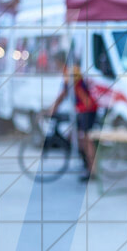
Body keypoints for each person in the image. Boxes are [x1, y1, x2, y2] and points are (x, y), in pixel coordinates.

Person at [48, 51, 99, 180]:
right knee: (73, 136)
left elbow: (63, 94)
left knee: (87, 139)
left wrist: (52, 109)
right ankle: (86, 164)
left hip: (88, 108)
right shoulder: (69, 72)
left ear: (60, 62)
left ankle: (93, 170)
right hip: (82, 109)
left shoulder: (71, 72)